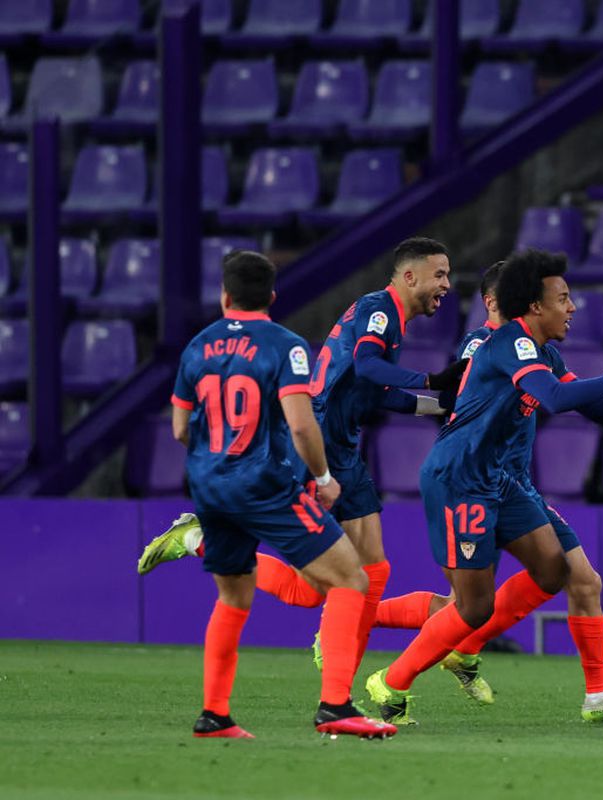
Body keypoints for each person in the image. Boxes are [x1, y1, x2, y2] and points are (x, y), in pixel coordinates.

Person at [370, 260, 603, 724]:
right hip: (461, 478)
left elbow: (592, 405)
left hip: (502, 481)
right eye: (563, 299)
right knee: (471, 607)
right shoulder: (508, 342)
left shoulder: (544, 354)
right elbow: (554, 399)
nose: (572, 308)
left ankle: (596, 698)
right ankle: (391, 681)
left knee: (557, 572)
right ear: (534, 305)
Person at [140, 238, 467, 676]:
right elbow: (369, 366)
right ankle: (201, 542)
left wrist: (438, 405)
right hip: (321, 443)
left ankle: (339, 653)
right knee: (331, 582)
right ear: (410, 277)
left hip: (342, 443)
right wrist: (431, 378)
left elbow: (373, 391)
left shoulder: (389, 317)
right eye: (440, 274)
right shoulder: (379, 310)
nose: (446, 284)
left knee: (361, 571)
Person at [171, 250, 395, 739]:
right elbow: (299, 423)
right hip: (263, 484)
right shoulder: (286, 346)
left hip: (209, 485)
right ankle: (335, 707)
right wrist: (322, 478)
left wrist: (215, 463)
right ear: (272, 296)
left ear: (224, 296)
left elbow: (179, 428)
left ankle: (214, 715)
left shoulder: (196, 347)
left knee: (234, 595)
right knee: (351, 580)